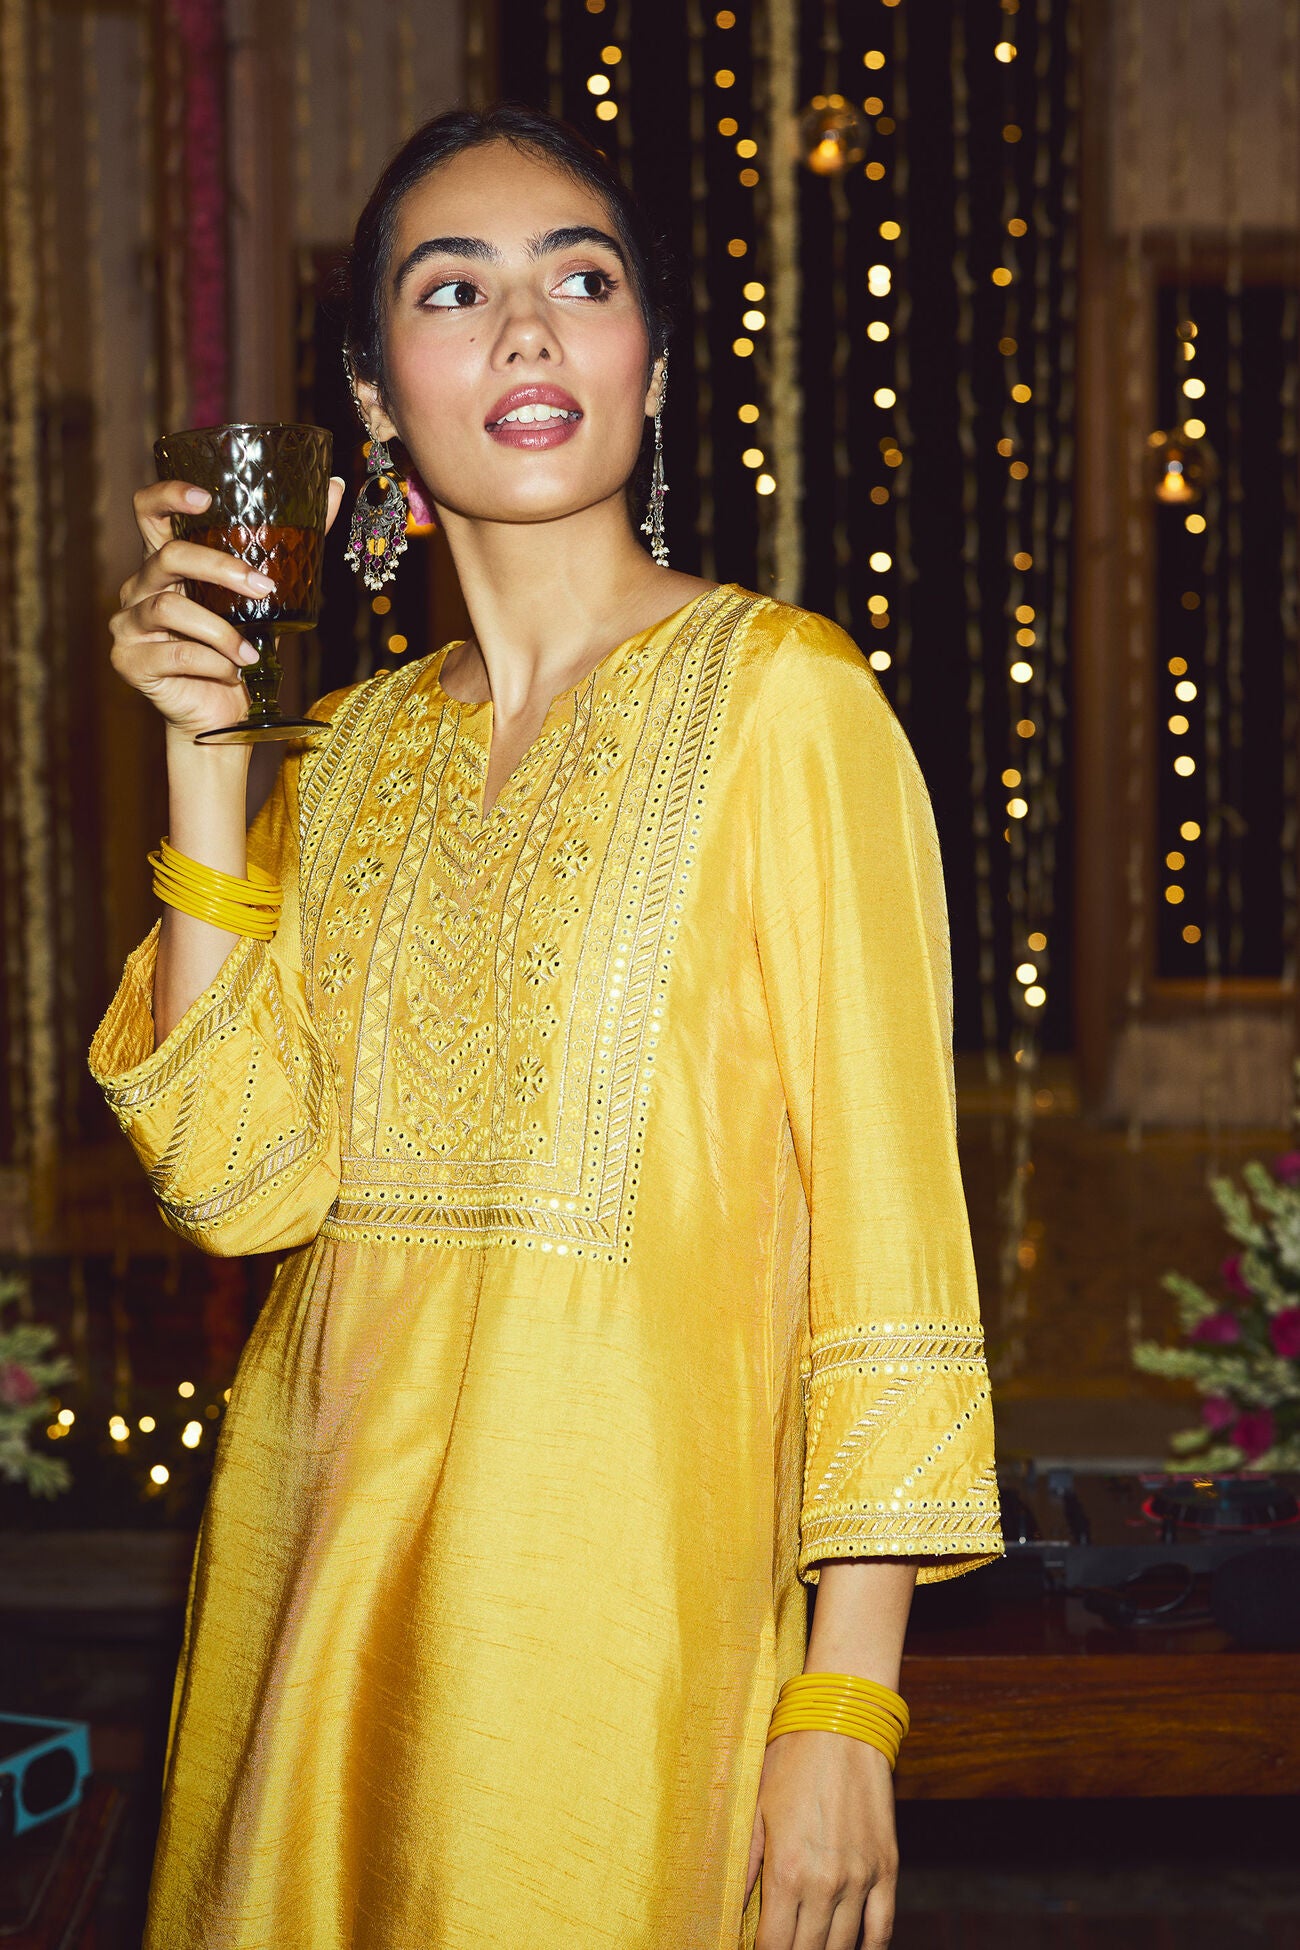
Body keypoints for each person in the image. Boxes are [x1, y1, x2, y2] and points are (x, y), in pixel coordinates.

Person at [90, 102, 1003, 1950]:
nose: (525, 328)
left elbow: (893, 1228)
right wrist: (208, 757)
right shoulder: (349, 758)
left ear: (648, 364)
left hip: (622, 1657)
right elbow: (239, 1183)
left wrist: (849, 1700)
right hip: (317, 1627)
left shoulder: (787, 702)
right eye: (455, 290)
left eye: (581, 282)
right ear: (373, 397)